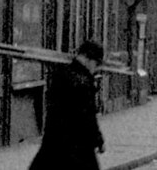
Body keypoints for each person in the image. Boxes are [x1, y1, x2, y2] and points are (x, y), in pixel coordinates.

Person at [29, 40, 106, 169]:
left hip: (53, 143)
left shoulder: (61, 74)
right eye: (96, 64)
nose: (96, 69)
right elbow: (88, 117)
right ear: (88, 59)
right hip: (78, 148)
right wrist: (98, 140)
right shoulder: (84, 83)